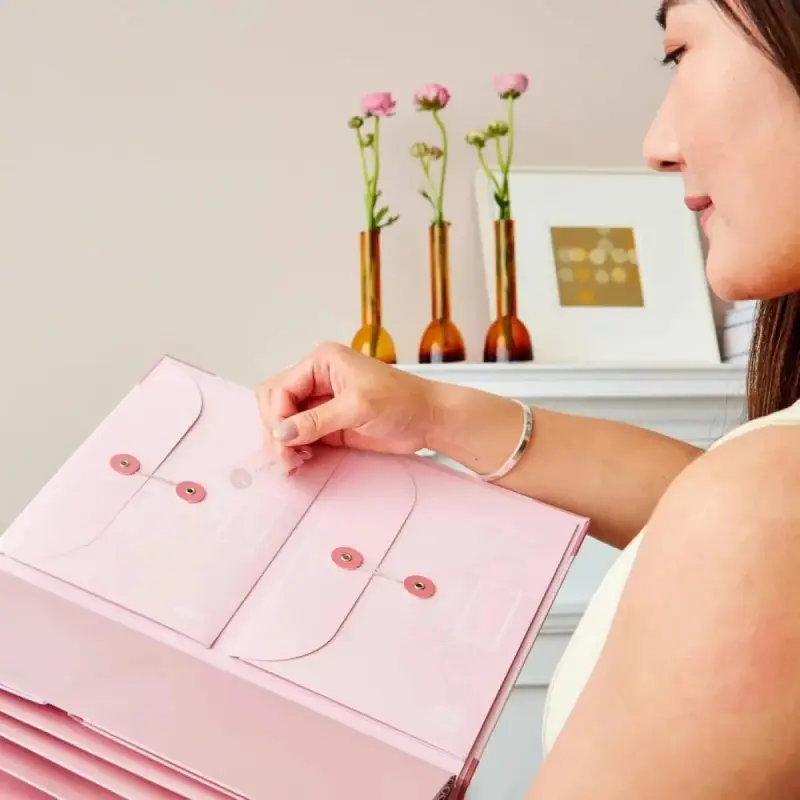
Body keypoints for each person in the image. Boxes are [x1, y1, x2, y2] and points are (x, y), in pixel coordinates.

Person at [257, 1, 800, 796]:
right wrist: (438, 415)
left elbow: (747, 522)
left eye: (678, 51)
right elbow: (712, 509)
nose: (658, 146)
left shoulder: (763, 510)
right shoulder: (760, 499)